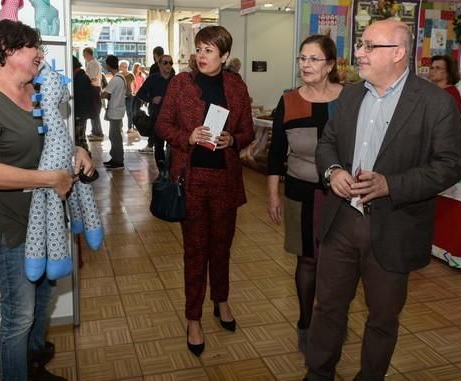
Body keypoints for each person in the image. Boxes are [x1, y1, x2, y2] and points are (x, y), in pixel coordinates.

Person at [305, 19, 461, 380]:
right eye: (360, 45)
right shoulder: (349, 95)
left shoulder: (435, 104)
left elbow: (451, 166)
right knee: (327, 307)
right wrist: (333, 171)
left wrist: (392, 184)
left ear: (397, 53)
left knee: (382, 318)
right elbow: (327, 142)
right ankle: (318, 373)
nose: (358, 53)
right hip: (342, 222)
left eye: (367, 46)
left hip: (394, 226)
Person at [0, 20, 95, 381]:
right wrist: (50, 179)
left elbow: (51, 145)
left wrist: (77, 150)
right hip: (9, 228)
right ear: (7, 51)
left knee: (44, 300)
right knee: (19, 317)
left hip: (48, 222)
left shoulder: (38, 92)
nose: (41, 55)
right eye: (34, 47)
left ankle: (33, 366)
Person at [156, 26, 254, 357]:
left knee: (222, 248)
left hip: (225, 181)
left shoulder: (236, 86)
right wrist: (188, 136)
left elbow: (248, 130)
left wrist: (234, 140)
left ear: (224, 56)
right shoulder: (181, 84)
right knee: (196, 251)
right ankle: (193, 317)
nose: (201, 55)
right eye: (199, 49)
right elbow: (162, 125)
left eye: (209, 50)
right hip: (192, 179)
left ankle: (221, 300)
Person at [266, 34, 342, 354]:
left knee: (338, 262)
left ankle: (332, 323)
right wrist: (272, 194)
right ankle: (306, 322)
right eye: (302, 58)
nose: (305, 65)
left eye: (313, 59)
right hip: (300, 190)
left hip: (341, 195)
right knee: (307, 260)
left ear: (330, 66)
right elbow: (276, 153)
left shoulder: (348, 100)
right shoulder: (289, 101)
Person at [137, 54, 176, 165]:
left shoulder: (176, 80)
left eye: (170, 63)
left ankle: (171, 170)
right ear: (159, 64)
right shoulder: (153, 78)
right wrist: (151, 99)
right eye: (165, 62)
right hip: (157, 116)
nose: (168, 65)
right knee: (158, 145)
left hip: (173, 119)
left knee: (172, 145)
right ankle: (162, 171)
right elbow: (140, 94)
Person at [101, 55, 126, 169]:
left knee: (114, 136)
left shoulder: (116, 79)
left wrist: (100, 91)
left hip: (115, 111)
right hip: (119, 110)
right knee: (115, 136)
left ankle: (118, 161)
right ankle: (115, 158)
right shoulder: (121, 77)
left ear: (108, 65)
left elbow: (105, 94)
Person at [83, 47, 105, 141]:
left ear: (88, 54)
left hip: (93, 88)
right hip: (94, 88)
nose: (84, 57)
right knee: (93, 111)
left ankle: (98, 132)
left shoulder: (93, 64)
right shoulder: (93, 63)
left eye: (84, 55)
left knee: (95, 111)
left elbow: (92, 78)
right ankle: (94, 131)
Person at [73, 55, 93, 152]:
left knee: (79, 138)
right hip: (82, 113)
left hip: (80, 113)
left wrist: (78, 115)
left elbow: (80, 98)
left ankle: (86, 161)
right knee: (81, 137)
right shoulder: (82, 76)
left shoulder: (80, 78)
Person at [120, 60, 136, 133]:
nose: (125, 68)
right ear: (120, 67)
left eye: (126, 67)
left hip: (129, 96)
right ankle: (120, 127)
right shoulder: (119, 75)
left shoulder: (131, 75)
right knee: (120, 113)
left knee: (129, 112)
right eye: (123, 66)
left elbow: (135, 84)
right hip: (120, 96)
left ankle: (130, 127)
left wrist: (134, 92)